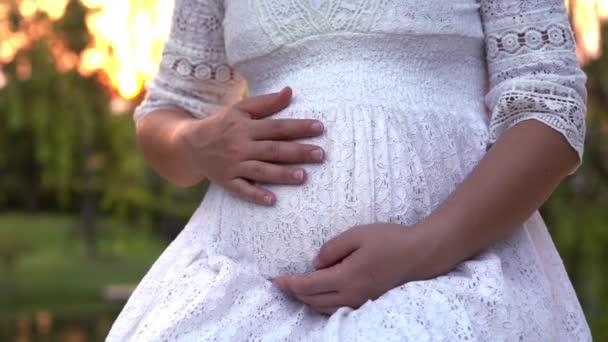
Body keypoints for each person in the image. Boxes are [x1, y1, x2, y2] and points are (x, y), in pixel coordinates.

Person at [106, 0, 592, 340]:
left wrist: (427, 247)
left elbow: (549, 106)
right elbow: (169, 110)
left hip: (451, 284)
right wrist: (195, 144)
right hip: (236, 293)